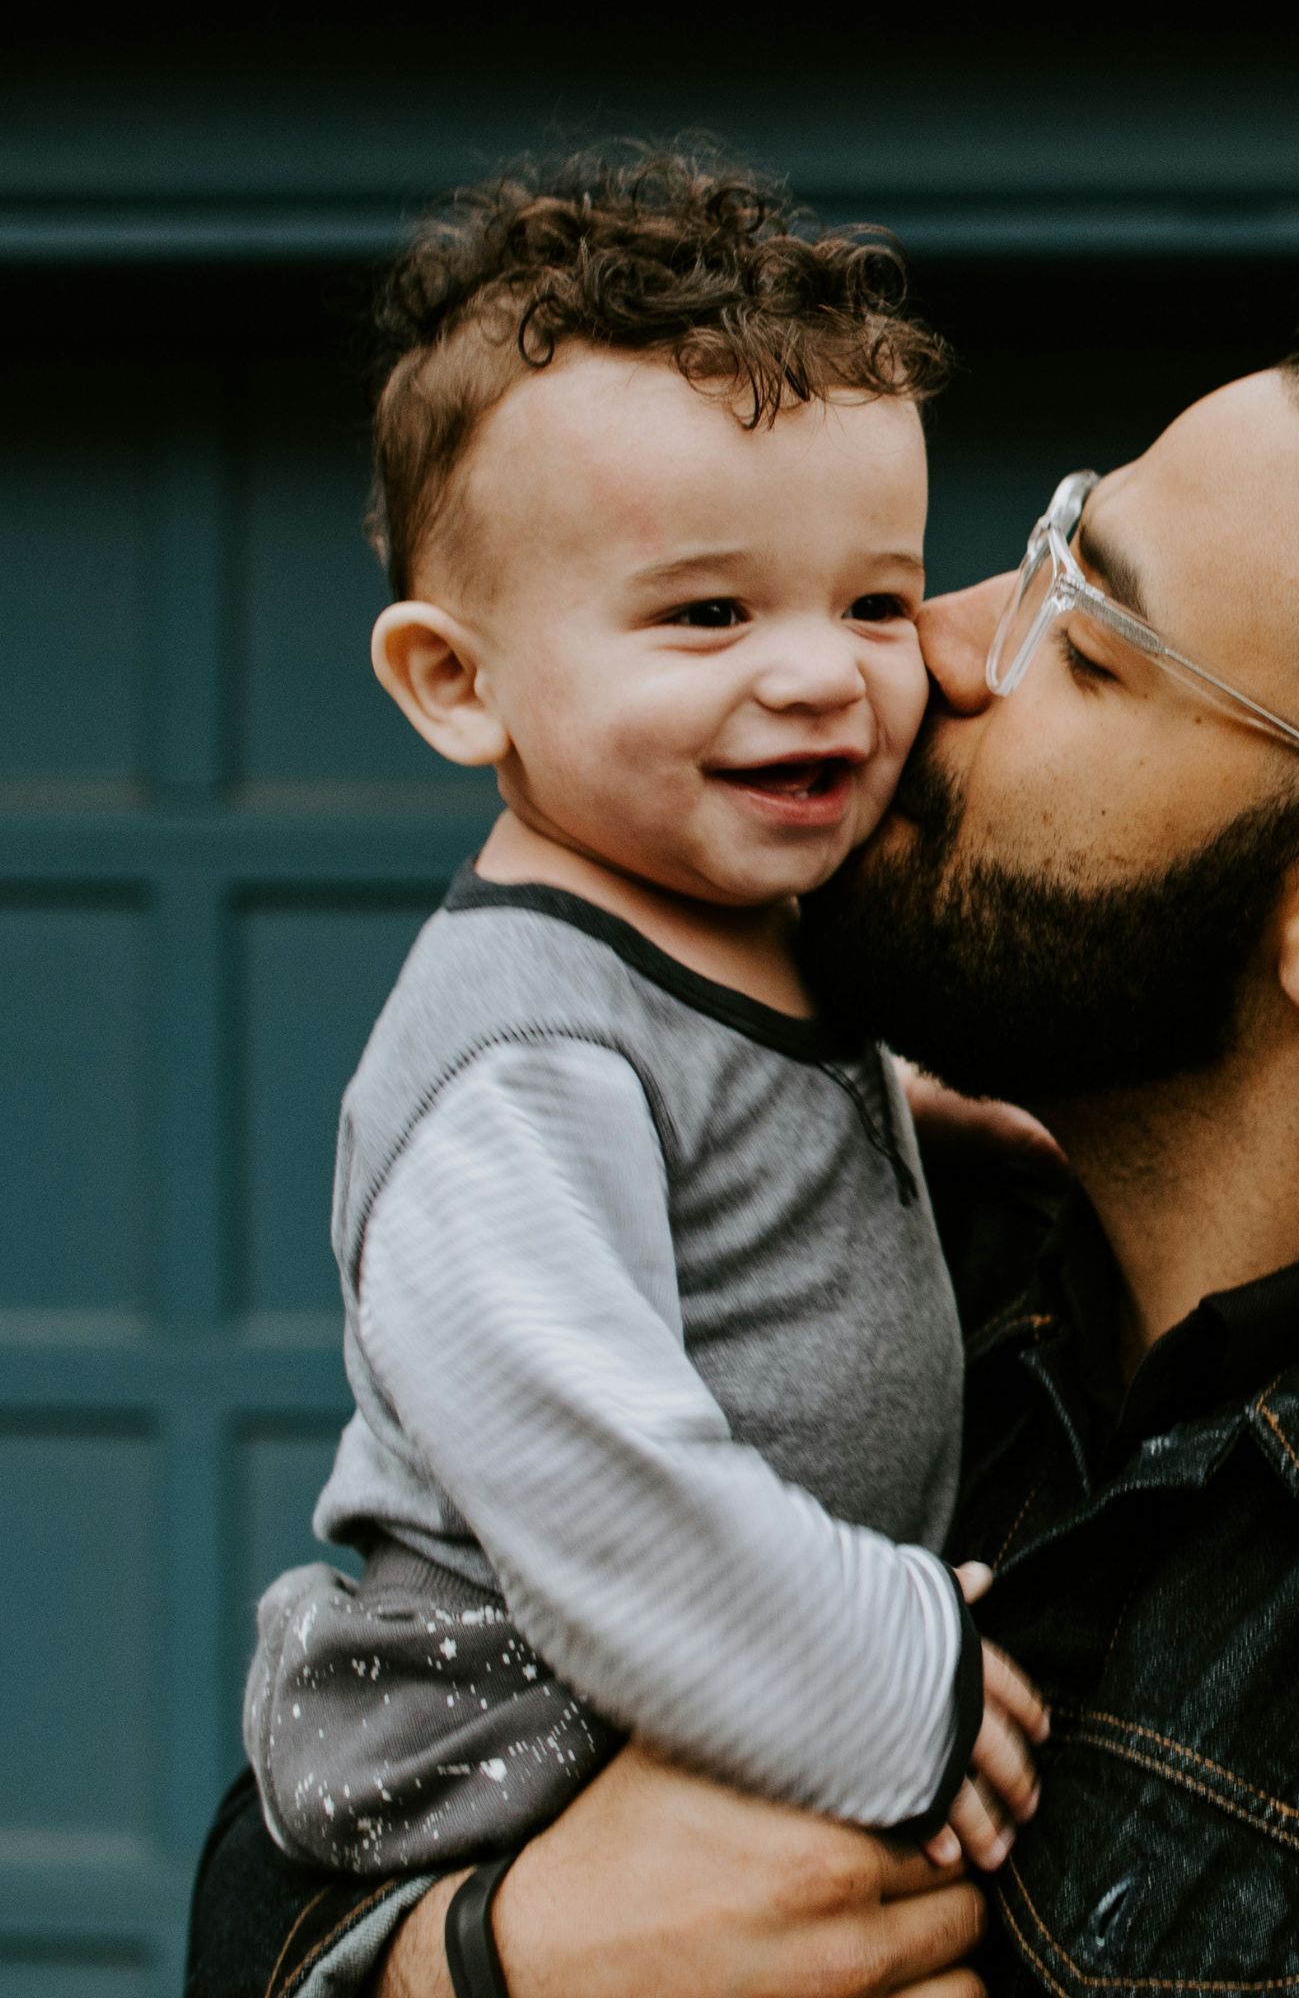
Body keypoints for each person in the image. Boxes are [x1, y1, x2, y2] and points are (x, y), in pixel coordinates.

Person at [189, 214, 1299, 1997]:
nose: (924, 650)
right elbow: (294, 1836)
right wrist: (485, 1962)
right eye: (1034, 558)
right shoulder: (847, 1225)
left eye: (1088, 646)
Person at [239, 142, 1046, 1892]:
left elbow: (725, 1134)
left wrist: (912, 1118)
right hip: (512, 1735)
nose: (819, 672)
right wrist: (887, 1676)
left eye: (876, 602)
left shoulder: (737, 923)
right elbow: (592, 1474)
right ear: (457, 682)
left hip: (693, 1694)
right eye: (707, 613)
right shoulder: (521, 1060)